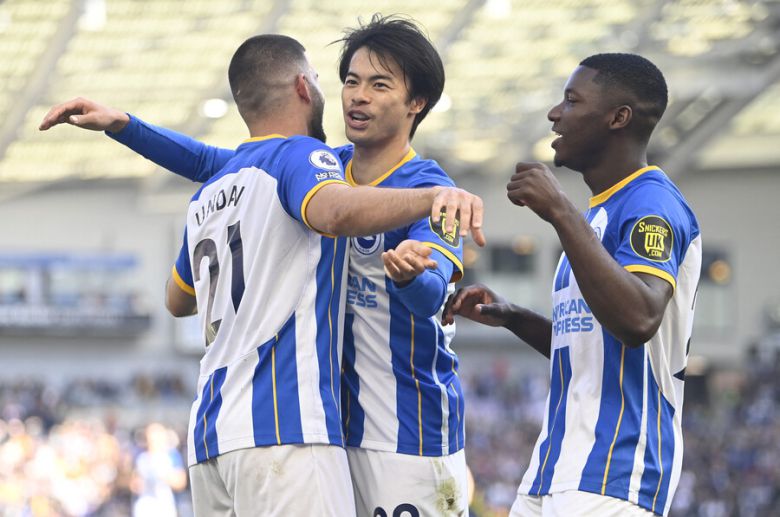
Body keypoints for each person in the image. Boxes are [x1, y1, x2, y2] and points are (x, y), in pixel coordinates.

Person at [42, 15, 475, 517]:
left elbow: (432, 297)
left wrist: (411, 278)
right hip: (327, 428)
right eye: (351, 81)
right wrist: (124, 126)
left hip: (404, 432)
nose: (358, 97)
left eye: (379, 85)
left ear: (416, 101)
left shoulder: (435, 190)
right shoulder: (320, 167)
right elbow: (217, 161)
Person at [443, 53, 701, 517]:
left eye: (571, 101)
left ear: (618, 118)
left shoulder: (652, 203)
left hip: (616, 471)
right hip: (554, 468)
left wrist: (559, 210)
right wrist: (515, 318)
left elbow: (639, 319)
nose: (554, 114)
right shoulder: (599, 213)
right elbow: (592, 348)